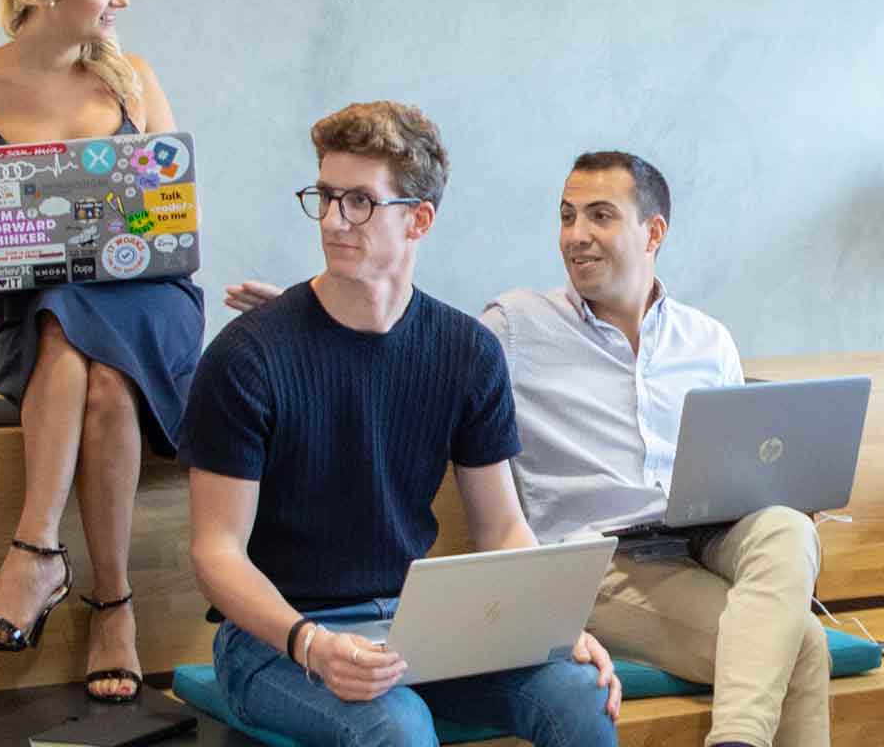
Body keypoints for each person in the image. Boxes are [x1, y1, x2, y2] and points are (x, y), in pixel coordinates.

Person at [231, 149, 826, 747]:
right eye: (567, 216)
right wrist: (304, 314)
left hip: (706, 537)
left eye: (599, 216)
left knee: (788, 527)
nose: (577, 236)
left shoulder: (708, 339)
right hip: (604, 564)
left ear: (654, 232)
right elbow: (408, 338)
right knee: (800, 645)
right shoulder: (516, 327)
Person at [181, 102, 622, 747]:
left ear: (419, 219)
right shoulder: (249, 356)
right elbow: (214, 550)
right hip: (275, 641)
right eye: (326, 197)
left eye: (360, 201)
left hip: (417, 631)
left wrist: (554, 626)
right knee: (399, 726)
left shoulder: (467, 351)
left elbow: (501, 525)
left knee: (579, 695)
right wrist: (311, 643)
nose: (333, 220)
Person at [0, 0, 198, 702]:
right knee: (88, 361)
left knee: (76, 323)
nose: (123, 0)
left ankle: (36, 555)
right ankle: (113, 609)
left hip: (150, 305)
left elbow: (179, 210)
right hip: (30, 316)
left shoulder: (134, 80)